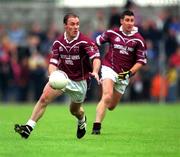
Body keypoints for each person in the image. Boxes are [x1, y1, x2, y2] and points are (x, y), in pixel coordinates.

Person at [14, 13, 101, 139]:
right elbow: (53, 63)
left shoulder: (85, 41)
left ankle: (82, 120)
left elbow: (96, 58)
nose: (76, 27)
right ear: (65, 26)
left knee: (75, 111)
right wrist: (53, 75)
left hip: (80, 81)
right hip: (63, 78)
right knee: (44, 98)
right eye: (72, 24)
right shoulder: (58, 43)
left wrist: (96, 71)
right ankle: (28, 127)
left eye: (77, 24)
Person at [92, 10, 147, 134]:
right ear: (121, 21)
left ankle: (102, 112)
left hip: (124, 74)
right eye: (127, 20)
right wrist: (92, 56)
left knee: (111, 106)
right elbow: (95, 42)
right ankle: (96, 127)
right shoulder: (112, 33)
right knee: (106, 96)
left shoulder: (139, 40)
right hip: (109, 68)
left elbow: (141, 61)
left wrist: (129, 73)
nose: (129, 23)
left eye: (131, 20)